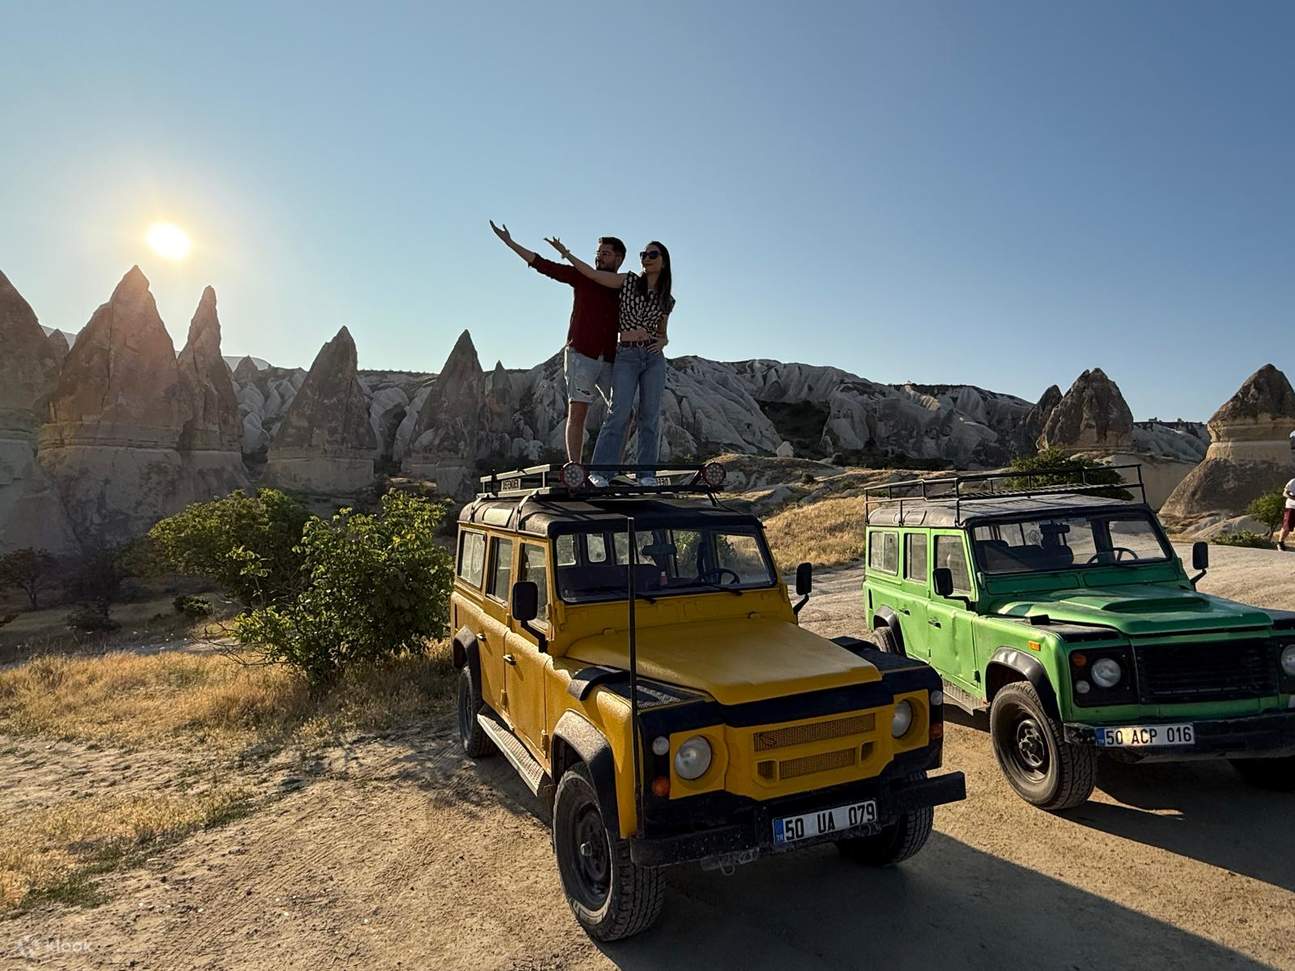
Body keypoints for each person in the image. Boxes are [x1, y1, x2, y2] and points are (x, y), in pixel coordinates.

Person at [489, 221, 624, 463]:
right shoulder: (582, 276)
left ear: (619, 259)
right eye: (598, 254)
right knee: (578, 411)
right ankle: (576, 468)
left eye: (605, 254)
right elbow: (543, 265)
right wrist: (510, 243)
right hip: (581, 354)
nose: (599, 258)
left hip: (610, 357)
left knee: (625, 412)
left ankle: (611, 467)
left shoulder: (624, 285)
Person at [545, 237, 675, 486]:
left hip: (653, 357)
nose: (646, 259)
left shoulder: (666, 298)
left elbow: (663, 332)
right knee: (619, 412)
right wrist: (566, 253)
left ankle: (646, 474)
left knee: (649, 416)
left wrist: (663, 342)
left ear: (664, 261)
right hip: (626, 354)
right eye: (643, 255)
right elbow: (593, 276)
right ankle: (600, 472)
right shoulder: (628, 282)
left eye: (652, 255)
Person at [1280, 475, 1295, 551]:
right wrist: (1294, 498)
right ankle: (1280, 543)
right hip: (1291, 507)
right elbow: (1285, 493)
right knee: (1287, 527)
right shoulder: (1293, 481)